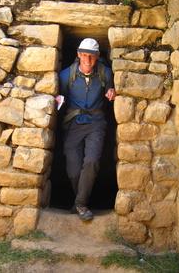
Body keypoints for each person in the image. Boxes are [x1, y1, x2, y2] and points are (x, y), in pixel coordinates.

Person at [55, 38, 116, 221]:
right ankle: (80, 201)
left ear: (97, 56)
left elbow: (111, 90)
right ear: (78, 54)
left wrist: (112, 91)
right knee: (74, 170)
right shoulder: (66, 75)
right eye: (84, 55)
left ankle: (80, 205)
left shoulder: (105, 73)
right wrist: (58, 98)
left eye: (91, 56)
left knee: (92, 161)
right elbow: (61, 95)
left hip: (96, 123)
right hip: (73, 124)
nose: (87, 60)